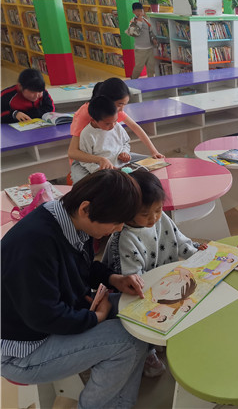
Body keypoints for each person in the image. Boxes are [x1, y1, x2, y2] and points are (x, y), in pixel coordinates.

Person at [1, 170, 149, 409]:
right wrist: (96, 317)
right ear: (86, 209)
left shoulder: (68, 217)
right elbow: (45, 317)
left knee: (138, 312)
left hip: (51, 316)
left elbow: (80, 267)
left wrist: (113, 278)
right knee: (130, 342)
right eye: (116, 222)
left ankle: (118, 399)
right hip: (23, 350)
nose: (119, 228)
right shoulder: (35, 244)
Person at [103, 169, 205, 277]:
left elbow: (179, 241)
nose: (153, 218)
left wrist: (195, 252)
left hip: (165, 277)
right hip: (143, 283)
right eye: (145, 214)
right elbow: (133, 278)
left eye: (158, 209)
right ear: (128, 211)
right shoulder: (124, 238)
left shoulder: (162, 218)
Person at [68, 78, 163, 178]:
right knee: (89, 185)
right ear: (106, 99)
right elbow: (72, 152)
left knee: (153, 164)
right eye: (120, 104)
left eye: (124, 105)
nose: (121, 109)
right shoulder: (86, 115)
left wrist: (154, 151)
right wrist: (100, 160)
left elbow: (135, 128)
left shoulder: (113, 111)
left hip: (113, 156)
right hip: (86, 161)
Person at [70, 96, 148, 183]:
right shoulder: (87, 134)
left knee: (148, 167)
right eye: (107, 124)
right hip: (103, 172)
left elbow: (125, 143)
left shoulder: (117, 126)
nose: (112, 126)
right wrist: (99, 170)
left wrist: (125, 153)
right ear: (93, 120)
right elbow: (85, 161)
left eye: (115, 121)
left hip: (122, 166)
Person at [128, 2, 157, 79]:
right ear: (133, 12)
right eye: (137, 11)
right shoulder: (133, 22)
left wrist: (153, 39)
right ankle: (133, 80)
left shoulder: (146, 21)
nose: (140, 12)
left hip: (149, 48)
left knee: (151, 67)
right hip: (140, 50)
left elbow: (150, 32)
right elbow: (134, 33)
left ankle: (151, 81)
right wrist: (139, 22)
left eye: (141, 10)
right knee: (139, 67)